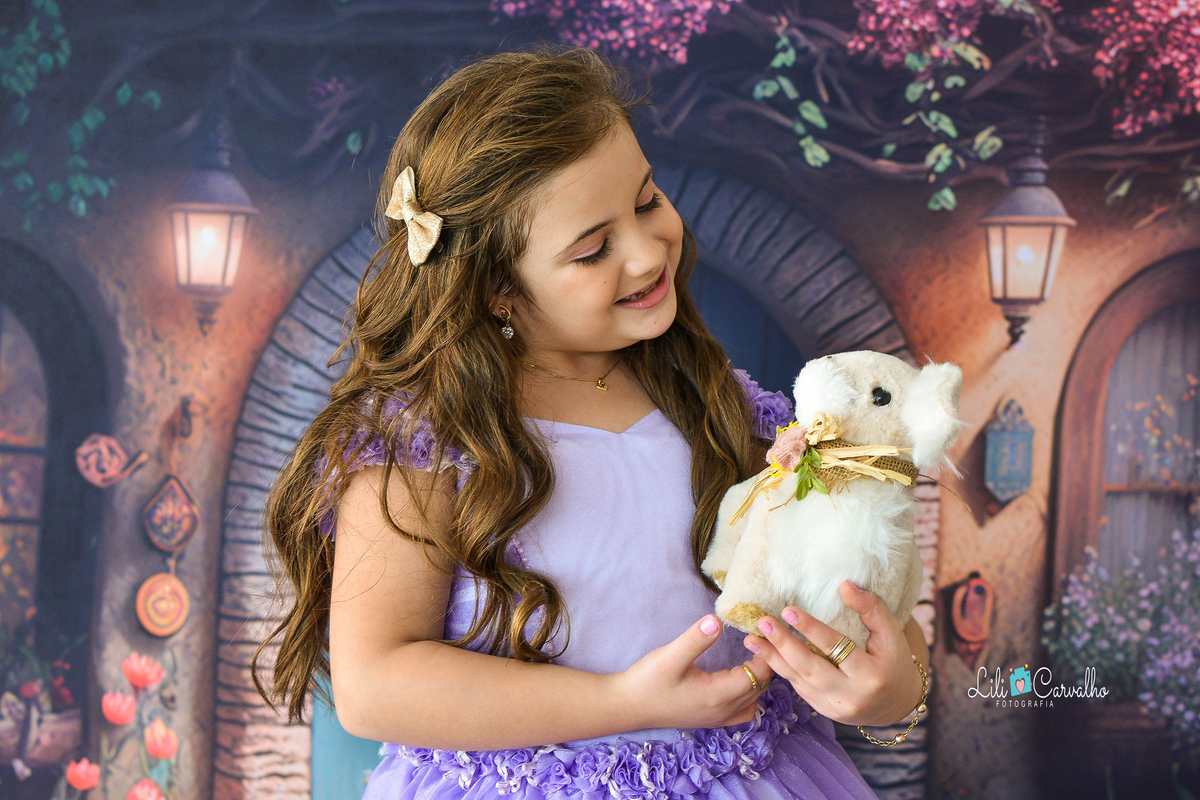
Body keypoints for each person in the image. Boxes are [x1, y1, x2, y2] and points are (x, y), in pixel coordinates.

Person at [253, 44, 930, 800]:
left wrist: (893, 689)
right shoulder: (426, 442)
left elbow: (862, 599)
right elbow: (376, 685)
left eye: (645, 201)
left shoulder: (727, 413)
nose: (646, 255)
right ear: (496, 291)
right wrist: (624, 704)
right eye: (592, 249)